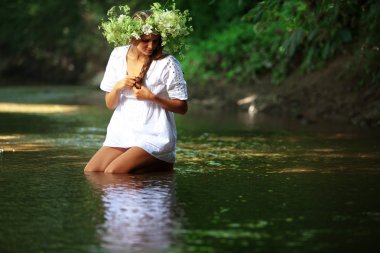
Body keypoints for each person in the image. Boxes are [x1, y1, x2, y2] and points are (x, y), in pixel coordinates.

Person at [84, 3, 192, 174]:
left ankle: (162, 161)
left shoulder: (168, 64)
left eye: (155, 41)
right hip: (122, 131)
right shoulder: (118, 55)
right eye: (145, 40)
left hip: (155, 134)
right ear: (131, 38)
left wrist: (152, 97)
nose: (151, 46)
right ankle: (155, 171)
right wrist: (118, 87)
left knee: (113, 173)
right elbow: (110, 104)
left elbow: (183, 107)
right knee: (92, 172)